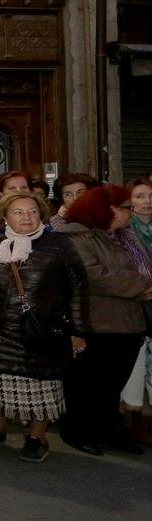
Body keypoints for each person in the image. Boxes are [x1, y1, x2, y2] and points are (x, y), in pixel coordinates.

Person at [0, 191, 86, 462]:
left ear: (42, 215)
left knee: (42, 389)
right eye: (19, 212)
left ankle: (37, 437)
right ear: (4, 218)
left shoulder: (59, 245)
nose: (27, 217)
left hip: (42, 332)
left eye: (33, 211)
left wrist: (78, 330)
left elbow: (78, 290)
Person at [59, 186, 152, 456]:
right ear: (107, 209)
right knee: (89, 382)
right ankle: (78, 431)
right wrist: (143, 286)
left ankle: (108, 429)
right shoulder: (76, 234)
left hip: (129, 322)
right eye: (125, 207)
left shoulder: (122, 236)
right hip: (97, 322)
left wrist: (142, 283)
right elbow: (94, 274)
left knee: (113, 384)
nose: (130, 211)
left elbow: (140, 266)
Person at [122, 178, 152, 444]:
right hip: (137, 303)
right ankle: (133, 417)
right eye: (140, 196)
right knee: (137, 361)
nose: (147, 201)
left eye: (150, 196)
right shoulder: (124, 231)